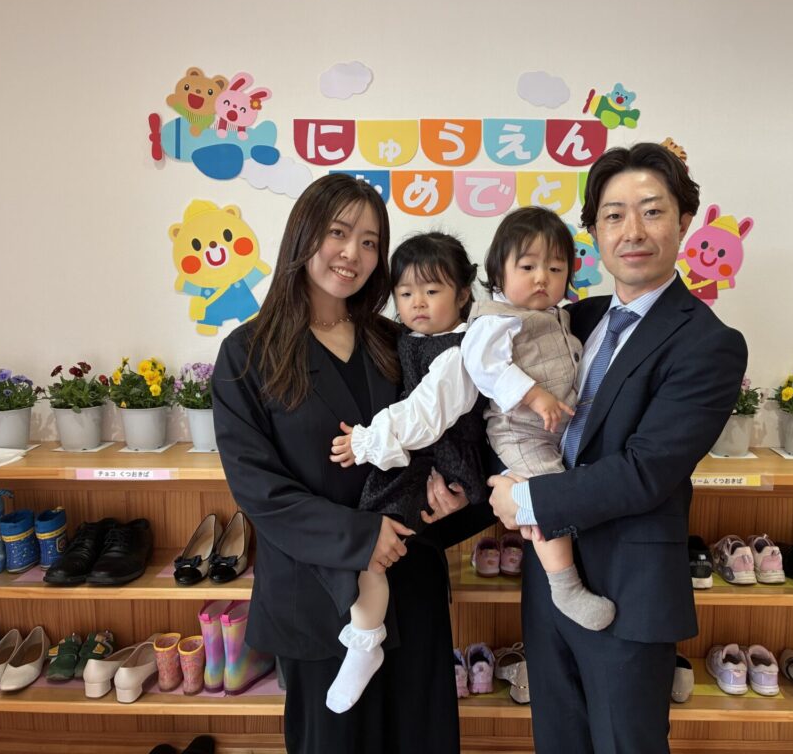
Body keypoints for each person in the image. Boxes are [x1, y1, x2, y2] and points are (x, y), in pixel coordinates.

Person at [212, 174, 491, 754]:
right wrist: (360, 537)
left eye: (369, 242)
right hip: (316, 592)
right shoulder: (249, 352)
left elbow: (458, 434)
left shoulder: (400, 340)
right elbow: (258, 489)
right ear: (303, 235)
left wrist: (458, 500)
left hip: (411, 580)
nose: (353, 254)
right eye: (338, 233)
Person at [487, 143, 748, 753]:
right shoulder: (572, 319)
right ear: (594, 232)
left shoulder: (708, 343)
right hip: (550, 580)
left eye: (652, 211)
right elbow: (505, 408)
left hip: (632, 593)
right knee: (558, 740)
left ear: (685, 221)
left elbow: (645, 472)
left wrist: (526, 501)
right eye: (613, 215)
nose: (632, 231)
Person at [324, 232, 488, 713]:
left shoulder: (458, 352)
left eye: (432, 291)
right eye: (406, 292)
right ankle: (366, 637)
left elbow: (424, 415)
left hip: (437, 462)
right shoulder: (410, 339)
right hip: (422, 459)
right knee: (368, 543)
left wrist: (366, 441)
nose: (417, 302)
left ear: (463, 293)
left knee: (368, 547)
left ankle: (364, 641)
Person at [461, 206, 615, 631]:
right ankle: (565, 586)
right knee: (547, 495)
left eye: (555, 268)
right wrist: (532, 394)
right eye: (527, 267)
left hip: (553, 432)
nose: (542, 278)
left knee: (554, 492)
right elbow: (483, 365)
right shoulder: (496, 319)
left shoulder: (559, 316)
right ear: (498, 272)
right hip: (520, 431)